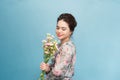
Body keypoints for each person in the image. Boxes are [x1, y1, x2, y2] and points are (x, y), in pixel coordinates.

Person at [40, 13, 77, 80]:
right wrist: (47, 67)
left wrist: (48, 69)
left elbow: (58, 72)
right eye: (57, 28)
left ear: (71, 31)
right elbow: (56, 66)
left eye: (63, 29)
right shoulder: (59, 45)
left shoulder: (67, 48)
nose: (59, 31)